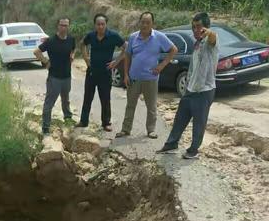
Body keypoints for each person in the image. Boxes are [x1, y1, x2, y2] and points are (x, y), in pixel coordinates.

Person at [158, 12, 219, 159]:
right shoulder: (197, 44)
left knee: (199, 123)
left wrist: (209, 33)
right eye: (193, 27)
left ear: (206, 27)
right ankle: (171, 144)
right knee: (180, 117)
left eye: (199, 27)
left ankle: (193, 150)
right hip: (191, 89)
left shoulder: (211, 43)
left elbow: (213, 38)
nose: (196, 30)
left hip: (204, 90)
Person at [116, 12, 177, 140]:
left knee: (151, 106)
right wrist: (126, 74)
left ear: (152, 24)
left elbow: (173, 50)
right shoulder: (133, 37)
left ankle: (151, 130)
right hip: (134, 78)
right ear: (139, 22)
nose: (144, 25)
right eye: (142, 22)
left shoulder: (159, 37)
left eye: (147, 22)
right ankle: (125, 130)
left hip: (151, 78)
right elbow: (127, 56)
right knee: (130, 105)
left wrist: (161, 66)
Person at [76, 14, 126, 131]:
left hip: (105, 72)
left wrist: (116, 61)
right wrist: (86, 58)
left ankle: (106, 123)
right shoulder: (91, 35)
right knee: (87, 97)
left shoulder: (113, 36)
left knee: (105, 98)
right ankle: (83, 121)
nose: (100, 26)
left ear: (106, 24)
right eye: (98, 24)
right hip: (92, 72)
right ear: (95, 25)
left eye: (102, 24)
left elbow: (126, 47)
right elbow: (82, 44)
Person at [34, 17, 76, 135]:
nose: (64, 27)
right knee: (49, 103)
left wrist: (72, 55)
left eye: (66, 25)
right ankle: (46, 128)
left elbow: (73, 49)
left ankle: (67, 118)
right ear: (58, 26)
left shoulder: (71, 39)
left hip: (67, 76)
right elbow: (36, 51)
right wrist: (45, 61)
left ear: (68, 26)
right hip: (54, 77)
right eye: (62, 25)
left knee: (65, 99)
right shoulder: (51, 41)